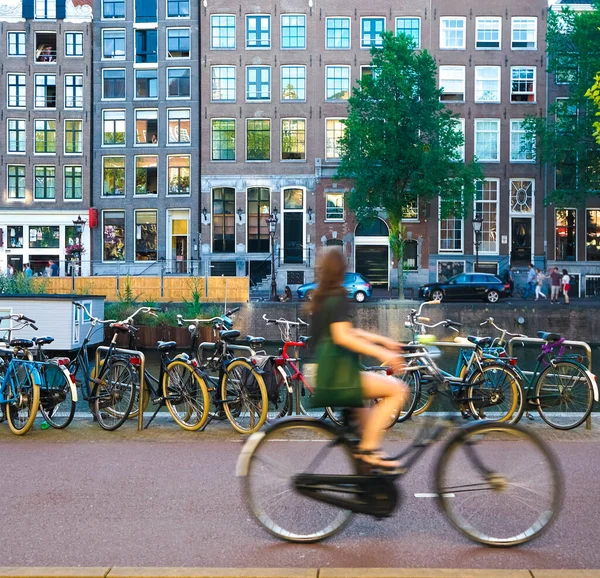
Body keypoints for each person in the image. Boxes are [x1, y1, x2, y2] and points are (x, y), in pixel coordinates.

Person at [309, 249, 408, 470]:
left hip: (332, 373)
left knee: (365, 432)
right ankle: (368, 452)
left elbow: (350, 332)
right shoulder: (337, 297)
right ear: (341, 270)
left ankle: (367, 476)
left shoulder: (324, 297)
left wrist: (384, 341)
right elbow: (343, 336)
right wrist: (383, 354)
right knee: (398, 390)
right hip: (340, 376)